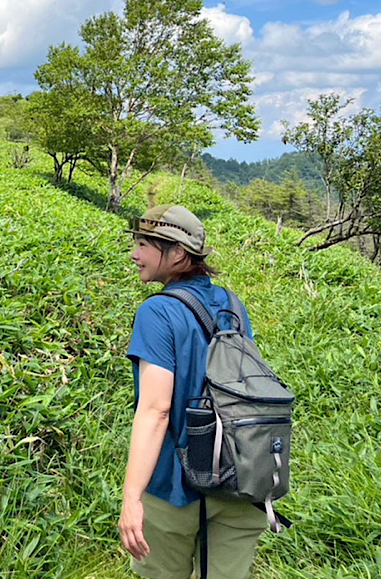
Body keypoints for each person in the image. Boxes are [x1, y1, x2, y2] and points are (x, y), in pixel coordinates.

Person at [119, 204, 267, 579]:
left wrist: (132, 497)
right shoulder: (233, 305)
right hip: (238, 477)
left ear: (178, 254)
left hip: (175, 488)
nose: (135, 255)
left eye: (143, 245)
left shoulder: (156, 312)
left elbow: (156, 411)